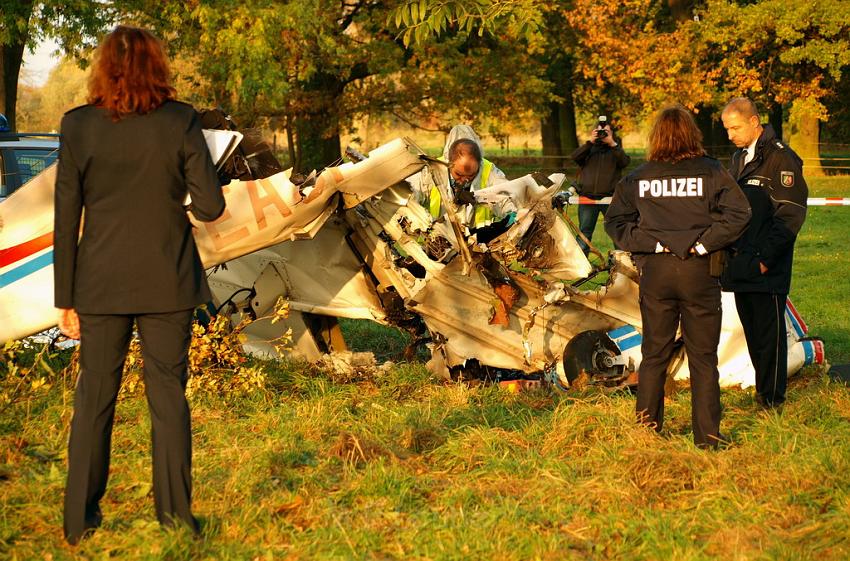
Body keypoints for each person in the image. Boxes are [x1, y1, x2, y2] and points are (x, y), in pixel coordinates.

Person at [54, 25, 226, 544]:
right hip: (167, 279)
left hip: (98, 283)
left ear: (105, 66)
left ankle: (78, 520)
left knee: (94, 399)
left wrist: (65, 299)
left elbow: (66, 218)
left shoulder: (77, 125)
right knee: (168, 398)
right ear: (158, 66)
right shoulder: (180, 121)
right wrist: (183, 205)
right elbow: (212, 206)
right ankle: (176, 519)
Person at [604, 105, 751, 448]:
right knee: (703, 357)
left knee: (654, 353)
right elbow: (740, 213)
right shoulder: (713, 172)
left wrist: (652, 245)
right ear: (692, 134)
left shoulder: (638, 177)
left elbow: (615, 222)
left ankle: (646, 431)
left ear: (656, 137)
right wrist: (703, 245)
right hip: (700, 273)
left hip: (656, 275)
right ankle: (708, 438)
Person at [720, 97, 808, 409]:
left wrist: (764, 261)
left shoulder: (781, 159)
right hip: (740, 264)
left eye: (735, 127)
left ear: (755, 122)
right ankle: (763, 393)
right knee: (753, 336)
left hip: (765, 268)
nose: (730, 134)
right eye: (727, 129)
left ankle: (772, 401)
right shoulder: (738, 158)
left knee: (769, 339)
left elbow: (790, 216)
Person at [421, 125, 508, 233]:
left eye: (470, 175)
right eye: (458, 174)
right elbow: (411, 193)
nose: (464, 180)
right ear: (449, 162)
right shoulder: (433, 170)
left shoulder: (490, 171)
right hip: (440, 242)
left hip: (480, 243)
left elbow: (506, 199)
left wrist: (514, 213)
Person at [569, 117, 631, 254]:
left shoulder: (615, 151)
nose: (603, 134)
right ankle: (581, 267)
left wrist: (612, 143)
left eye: (606, 132)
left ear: (611, 134)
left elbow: (625, 162)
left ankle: (623, 263)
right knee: (585, 232)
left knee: (616, 230)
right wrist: (590, 142)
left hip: (610, 199)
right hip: (587, 198)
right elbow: (574, 157)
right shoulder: (589, 149)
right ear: (594, 132)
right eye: (600, 131)